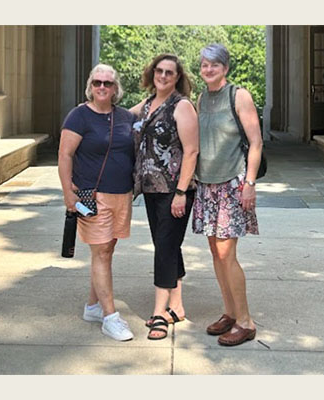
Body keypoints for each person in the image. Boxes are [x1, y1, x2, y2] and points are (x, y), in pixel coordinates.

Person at [58, 64, 136, 341]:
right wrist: (69, 193)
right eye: (97, 82)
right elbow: (65, 155)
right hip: (92, 195)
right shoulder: (79, 116)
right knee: (101, 251)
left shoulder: (125, 117)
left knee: (107, 250)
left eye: (108, 83)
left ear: (116, 89)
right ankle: (110, 317)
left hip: (122, 194)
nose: (102, 87)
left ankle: (92, 306)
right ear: (90, 86)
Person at [192, 44, 262, 346]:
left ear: (225, 68)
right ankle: (230, 313)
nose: (208, 69)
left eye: (214, 65)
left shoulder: (239, 96)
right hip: (206, 185)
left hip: (232, 184)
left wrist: (249, 183)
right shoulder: (201, 98)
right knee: (215, 252)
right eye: (204, 65)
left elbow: (256, 143)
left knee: (226, 254)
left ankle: (246, 322)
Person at [130, 54, 199, 340]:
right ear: (152, 73)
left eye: (170, 72)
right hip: (151, 188)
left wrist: (181, 192)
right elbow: (120, 116)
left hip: (174, 189)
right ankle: (177, 306)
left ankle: (159, 313)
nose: (163, 76)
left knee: (164, 248)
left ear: (178, 77)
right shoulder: (147, 104)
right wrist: (90, 109)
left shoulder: (182, 106)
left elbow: (192, 151)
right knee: (166, 244)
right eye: (159, 70)